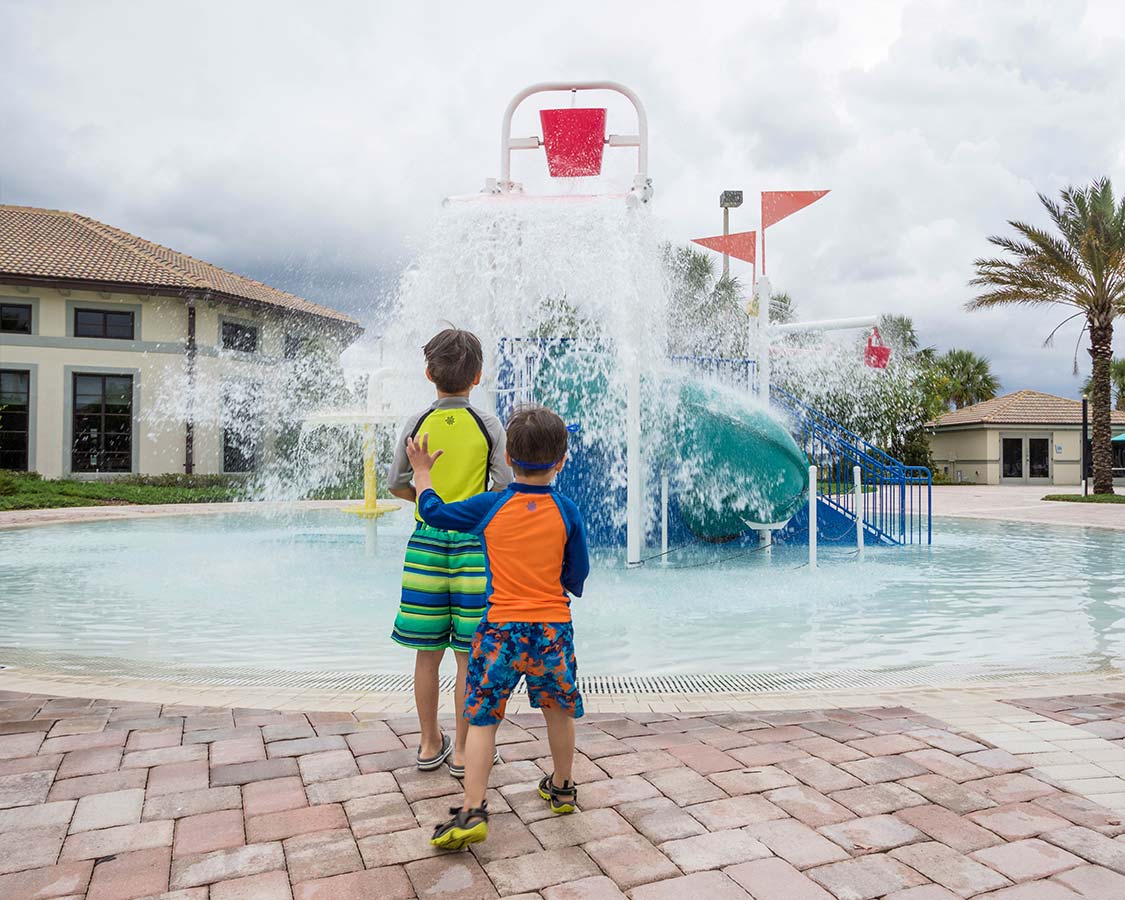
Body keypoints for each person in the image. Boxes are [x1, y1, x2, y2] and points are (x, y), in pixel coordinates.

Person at [403, 405, 589, 850]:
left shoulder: (491, 505)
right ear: (561, 461)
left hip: (499, 631)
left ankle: (472, 810)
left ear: (507, 460)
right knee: (558, 711)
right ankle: (562, 788)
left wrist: (423, 472)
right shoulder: (568, 511)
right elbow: (576, 577)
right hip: (551, 631)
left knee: (483, 720)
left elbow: (433, 512)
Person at [387, 329, 511, 775]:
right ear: (477, 376)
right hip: (476, 548)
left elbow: (398, 483)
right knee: (468, 654)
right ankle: (462, 750)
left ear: (428, 374)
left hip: (425, 546)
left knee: (426, 652)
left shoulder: (417, 423)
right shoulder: (490, 425)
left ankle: (426, 743)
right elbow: (502, 489)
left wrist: (430, 502)